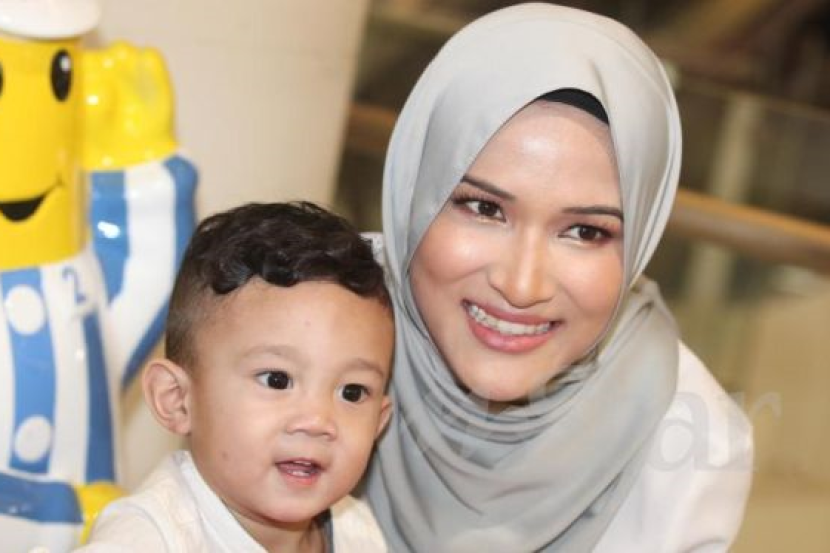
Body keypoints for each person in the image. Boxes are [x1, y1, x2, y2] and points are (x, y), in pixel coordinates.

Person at [362, 3, 754, 552]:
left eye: (586, 232)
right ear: (415, 192)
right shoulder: (295, 327)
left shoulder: (688, 446)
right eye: (484, 209)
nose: (522, 286)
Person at [77, 202, 394, 552]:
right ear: (177, 399)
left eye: (352, 392)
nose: (318, 421)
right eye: (277, 380)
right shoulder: (148, 540)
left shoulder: (358, 530)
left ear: (379, 423)